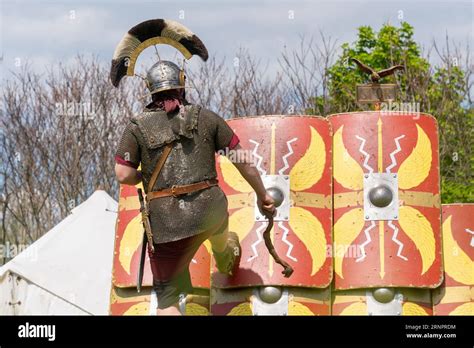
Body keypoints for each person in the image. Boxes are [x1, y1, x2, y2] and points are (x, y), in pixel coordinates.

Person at [114, 59, 275, 315]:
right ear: (182, 85)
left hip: (166, 226)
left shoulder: (136, 127)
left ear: (150, 91)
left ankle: (217, 253)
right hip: (209, 211)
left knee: (166, 301)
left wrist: (143, 177)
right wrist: (262, 194)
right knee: (218, 220)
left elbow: (123, 174)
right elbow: (241, 159)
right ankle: (222, 250)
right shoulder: (207, 118)